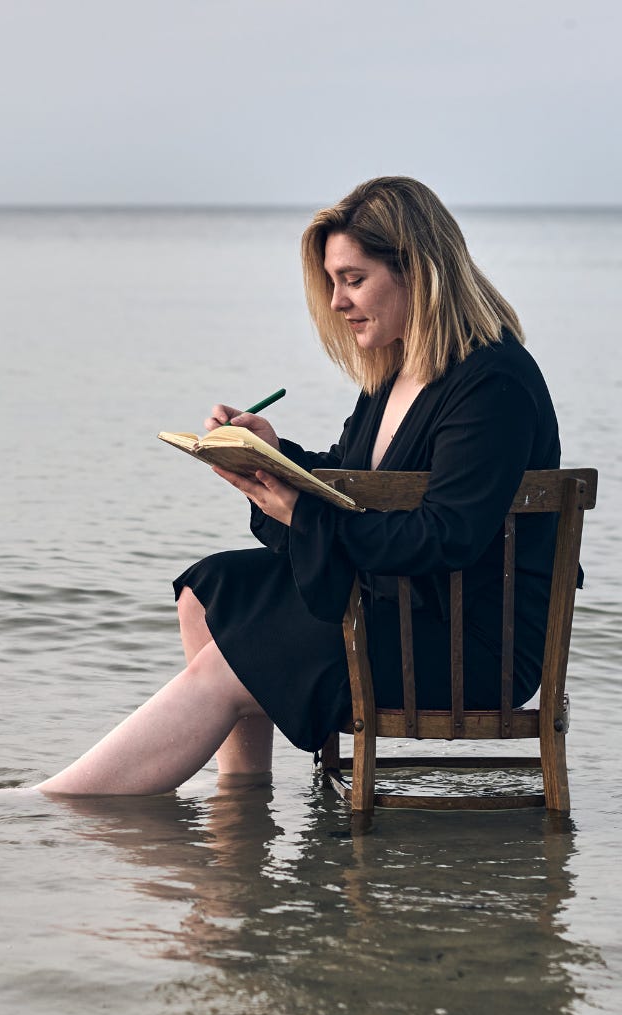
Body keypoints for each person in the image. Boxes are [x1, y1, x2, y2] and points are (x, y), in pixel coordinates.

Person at [34, 176, 563, 796]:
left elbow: (447, 535)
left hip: (463, 646)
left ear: (418, 271)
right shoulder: (396, 373)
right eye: (334, 282)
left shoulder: (490, 381)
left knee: (232, 665)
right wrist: (270, 456)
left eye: (353, 278)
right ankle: (244, 797)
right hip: (401, 609)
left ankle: (55, 802)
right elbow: (353, 480)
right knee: (212, 590)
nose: (338, 303)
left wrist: (300, 515)